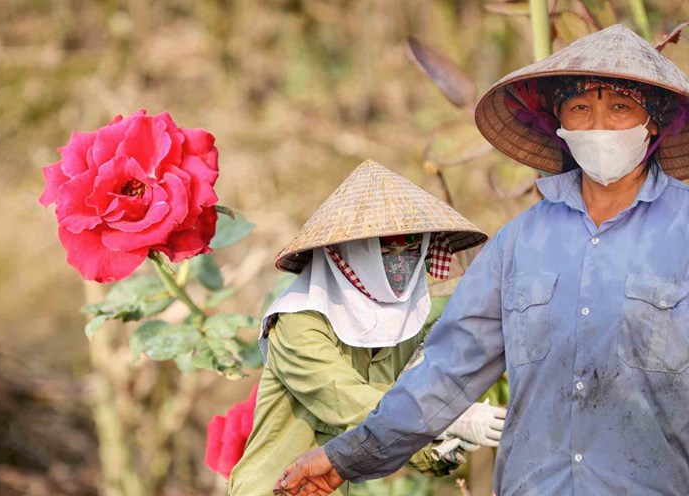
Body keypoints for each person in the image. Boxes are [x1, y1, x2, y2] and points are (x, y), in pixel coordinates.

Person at [274, 24, 689, 496]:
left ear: (652, 121)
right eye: (580, 108)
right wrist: (345, 457)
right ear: (558, 123)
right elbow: (447, 371)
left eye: (619, 108)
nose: (597, 125)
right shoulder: (518, 244)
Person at [227, 159, 504, 495]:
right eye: (387, 247)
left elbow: (389, 425)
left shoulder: (404, 326)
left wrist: (443, 448)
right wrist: (447, 418)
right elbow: (347, 400)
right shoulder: (298, 322)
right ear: (351, 252)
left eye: (413, 247)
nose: (401, 260)